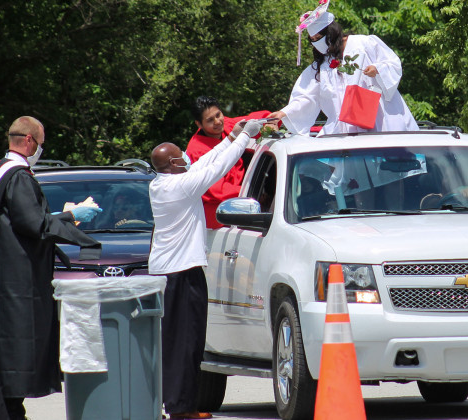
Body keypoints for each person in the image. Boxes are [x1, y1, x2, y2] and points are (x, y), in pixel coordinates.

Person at [0, 116, 102, 420]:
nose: (42, 147)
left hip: (4, 274)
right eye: (41, 141)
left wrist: (64, 217)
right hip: (17, 281)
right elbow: (32, 222)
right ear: (28, 141)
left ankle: (11, 409)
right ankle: (10, 411)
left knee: (10, 345)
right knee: (18, 347)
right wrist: (71, 218)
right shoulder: (19, 176)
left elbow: (17, 219)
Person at [149, 119, 263, 419]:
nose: (188, 159)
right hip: (181, 272)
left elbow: (202, 165)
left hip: (173, 271)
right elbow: (214, 170)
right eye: (181, 157)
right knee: (186, 341)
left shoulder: (165, 182)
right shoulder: (179, 187)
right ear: (173, 163)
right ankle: (180, 407)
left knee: (181, 340)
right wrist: (243, 141)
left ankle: (179, 404)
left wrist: (232, 138)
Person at [267, 0, 418, 135]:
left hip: (381, 119)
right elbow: (307, 96)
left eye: (318, 38)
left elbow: (393, 63)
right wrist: (283, 113)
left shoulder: (363, 43)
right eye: (312, 40)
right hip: (345, 127)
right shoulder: (322, 64)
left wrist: (377, 69)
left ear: (330, 32)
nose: (316, 43)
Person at [186, 95, 271, 228]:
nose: (218, 122)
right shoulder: (196, 150)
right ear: (199, 124)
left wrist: (272, 121)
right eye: (210, 120)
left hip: (242, 194)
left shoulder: (228, 126)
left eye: (218, 115)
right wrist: (252, 194)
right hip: (218, 211)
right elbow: (216, 190)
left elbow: (256, 119)